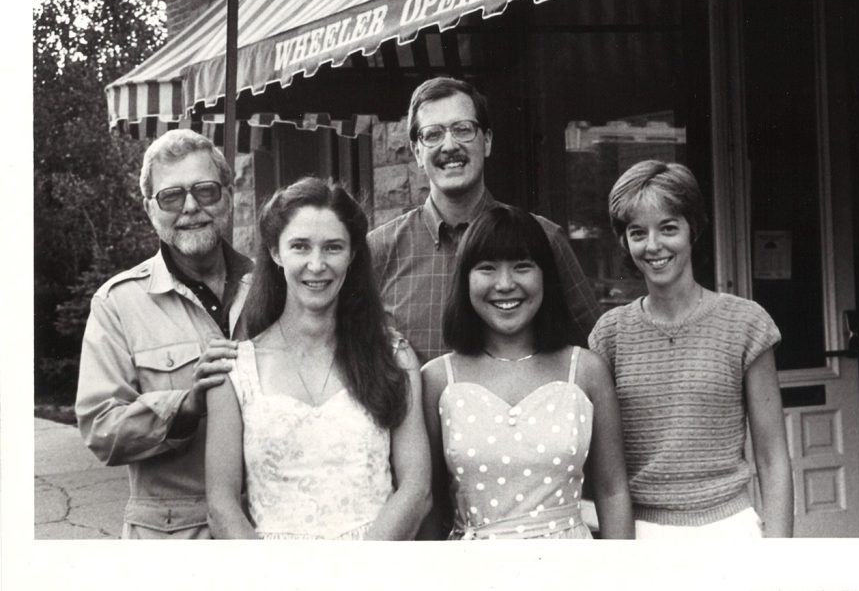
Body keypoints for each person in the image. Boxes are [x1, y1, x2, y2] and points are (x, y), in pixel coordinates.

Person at [205, 177, 431, 539]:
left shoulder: (393, 357)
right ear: (276, 253)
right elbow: (221, 506)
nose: (316, 264)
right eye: (300, 247)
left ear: (353, 254)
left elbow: (417, 490)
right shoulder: (236, 371)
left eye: (333, 247)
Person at [589, 160, 793, 538]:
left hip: (729, 532)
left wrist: (777, 557)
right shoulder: (609, 334)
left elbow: (772, 456)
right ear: (624, 241)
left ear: (692, 230)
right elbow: (602, 468)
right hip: (639, 534)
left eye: (668, 228)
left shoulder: (746, 323)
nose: (653, 246)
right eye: (638, 233)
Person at [75, 129, 251, 539]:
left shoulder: (274, 287)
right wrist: (185, 407)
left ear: (227, 195)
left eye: (205, 191)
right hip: (172, 540)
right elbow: (100, 429)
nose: (190, 207)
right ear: (149, 209)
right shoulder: (117, 303)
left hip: (268, 530)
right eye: (171, 196)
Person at [420, 205, 633, 540]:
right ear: (465, 279)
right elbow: (427, 501)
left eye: (522, 267)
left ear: (545, 275)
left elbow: (612, 491)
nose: (505, 284)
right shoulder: (436, 380)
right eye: (487, 268)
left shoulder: (586, 371)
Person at [368, 77, 601, 363]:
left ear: (487, 141)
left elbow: (593, 349)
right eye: (433, 135)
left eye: (463, 129)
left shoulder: (544, 239)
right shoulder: (379, 250)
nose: (449, 145)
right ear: (417, 151)